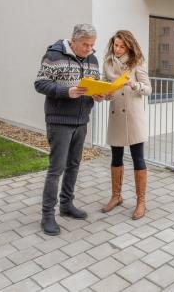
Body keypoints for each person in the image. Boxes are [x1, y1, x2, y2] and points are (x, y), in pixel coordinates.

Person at [34, 23, 104, 236]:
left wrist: (99, 94)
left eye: (92, 45)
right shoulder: (54, 55)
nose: (89, 49)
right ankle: (47, 215)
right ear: (73, 41)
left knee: (73, 165)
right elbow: (40, 84)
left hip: (81, 120)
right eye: (85, 45)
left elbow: (94, 84)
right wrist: (67, 91)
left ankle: (66, 205)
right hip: (59, 121)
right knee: (56, 169)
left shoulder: (92, 59)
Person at [101, 30, 152, 219]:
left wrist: (134, 85)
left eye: (122, 46)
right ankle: (116, 196)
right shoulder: (108, 63)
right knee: (116, 157)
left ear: (129, 47)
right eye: (116, 45)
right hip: (116, 115)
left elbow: (148, 89)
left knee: (138, 158)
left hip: (133, 117)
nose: (118, 49)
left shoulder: (136, 62)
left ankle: (141, 202)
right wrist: (106, 94)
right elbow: (106, 85)